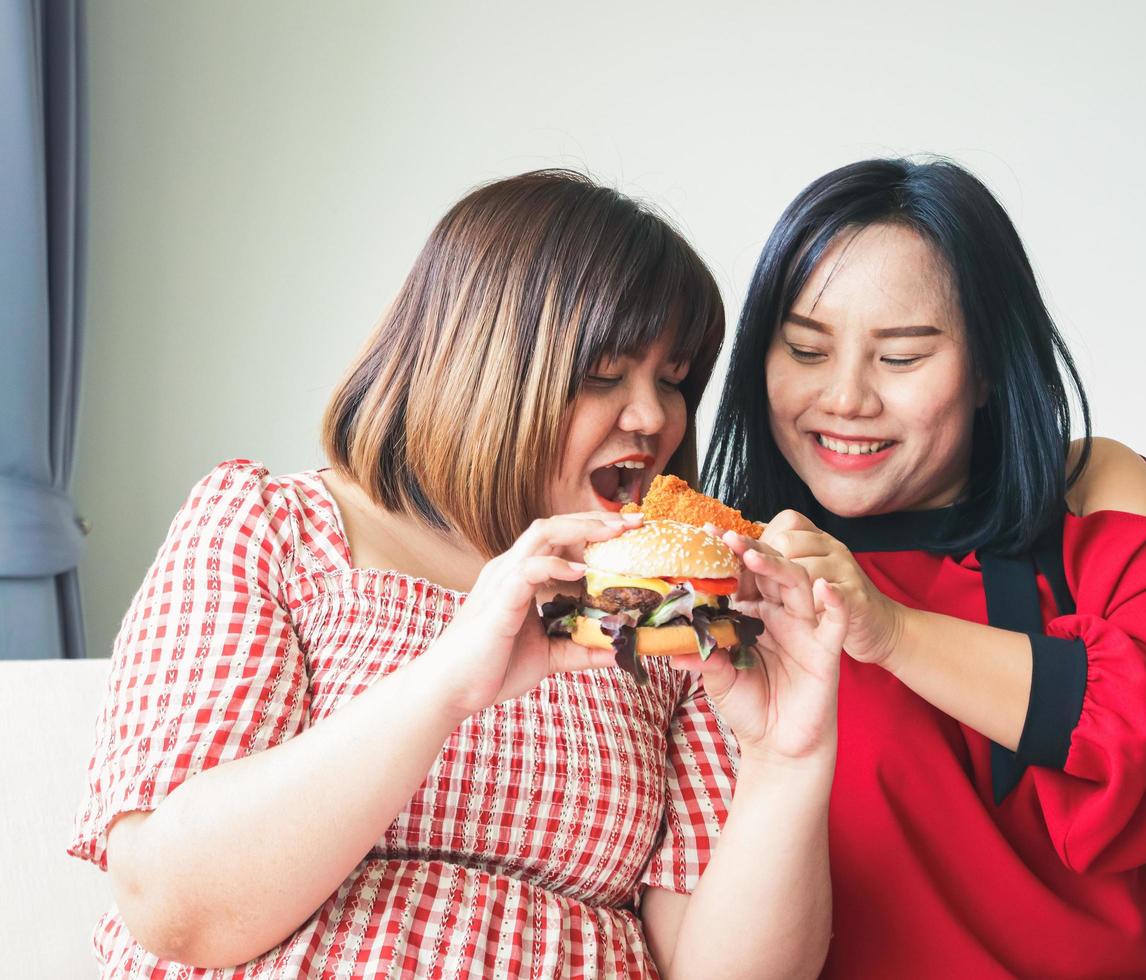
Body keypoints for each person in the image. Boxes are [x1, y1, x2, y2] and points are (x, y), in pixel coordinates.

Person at [69, 171, 848, 979]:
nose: (654, 418)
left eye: (674, 378)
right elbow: (175, 911)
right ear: (480, 366)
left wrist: (786, 761)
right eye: (604, 373)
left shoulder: (665, 618)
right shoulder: (272, 527)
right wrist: (446, 682)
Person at [703, 158, 1146, 978]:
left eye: (900, 358)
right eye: (804, 349)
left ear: (985, 369)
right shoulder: (728, 579)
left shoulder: (1088, 494)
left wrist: (894, 629)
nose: (844, 398)